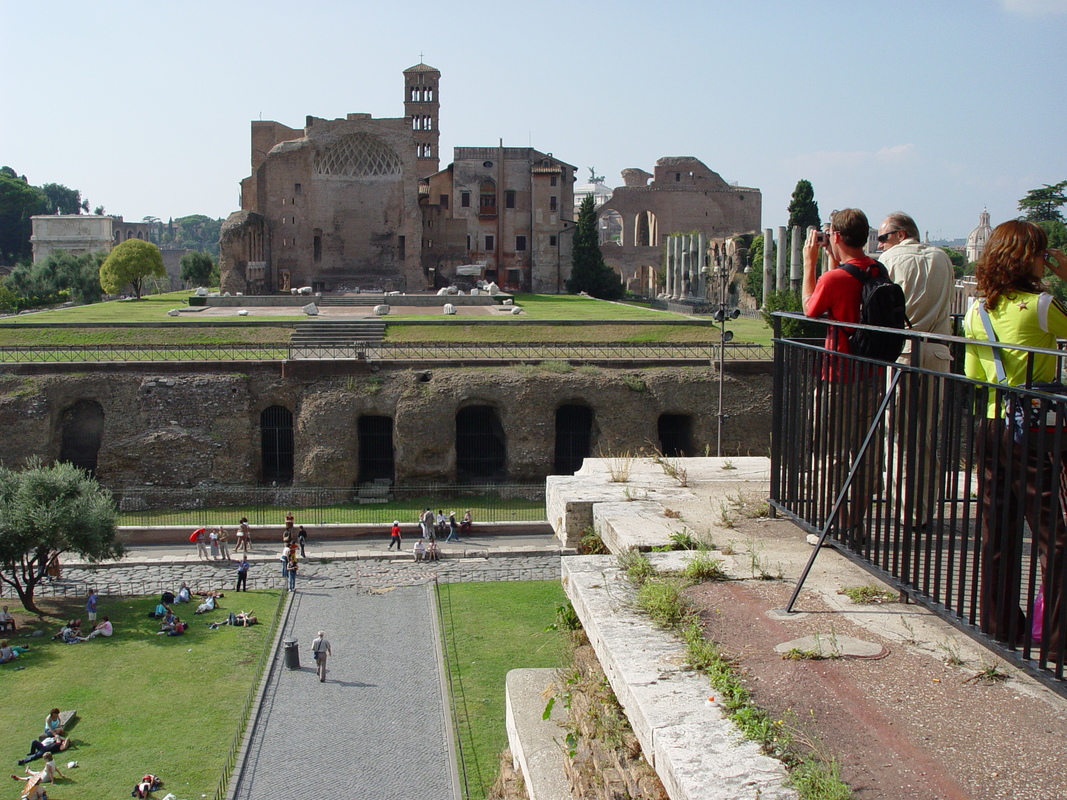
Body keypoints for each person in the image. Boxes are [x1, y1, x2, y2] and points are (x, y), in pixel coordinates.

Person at [963, 219, 1067, 655]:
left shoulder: (976, 310)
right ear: (1030, 259)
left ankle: (999, 623)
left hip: (989, 423)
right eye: (1043, 253)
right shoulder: (1042, 305)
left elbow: (971, 373)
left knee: (996, 529)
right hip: (1034, 428)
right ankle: (1059, 639)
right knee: (1053, 535)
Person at [802, 208, 884, 547]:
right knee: (865, 452)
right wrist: (835, 258)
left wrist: (810, 263)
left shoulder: (833, 279)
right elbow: (849, 290)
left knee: (831, 453)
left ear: (835, 236)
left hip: (839, 374)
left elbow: (810, 307)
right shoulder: (878, 269)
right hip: (873, 372)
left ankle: (830, 527)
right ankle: (855, 524)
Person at [877, 212, 955, 529]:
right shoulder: (944, 258)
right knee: (926, 435)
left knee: (896, 435)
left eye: (882, 237)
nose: (879, 243)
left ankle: (903, 511)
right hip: (938, 353)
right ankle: (924, 509)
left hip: (903, 351)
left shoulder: (890, 260)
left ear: (900, 234)